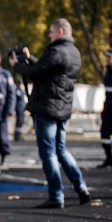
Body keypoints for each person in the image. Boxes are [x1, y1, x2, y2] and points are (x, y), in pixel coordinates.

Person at [10, 18, 90, 209]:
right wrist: (29, 59)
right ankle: (81, 188)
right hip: (62, 108)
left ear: (60, 32)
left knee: (48, 153)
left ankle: (56, 195)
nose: (49, 35)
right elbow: (47, 69)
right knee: (61, 150)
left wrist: (16, 65)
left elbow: (36, 73)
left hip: (47, 107)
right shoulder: (73, 53)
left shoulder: (56, 51)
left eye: (51, 32)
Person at [0, 52, 16, 165]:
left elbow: (11, 94)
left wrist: (9, 110)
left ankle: (4, 158)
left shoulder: (5, 74)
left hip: (2, 111)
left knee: (2, 136)